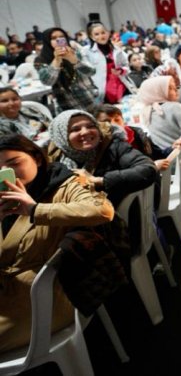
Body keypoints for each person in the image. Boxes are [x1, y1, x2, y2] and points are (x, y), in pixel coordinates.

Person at [0, 134, 114, 352]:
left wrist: (35, 210)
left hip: (42, 299)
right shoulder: (6, 199)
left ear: (37, 159)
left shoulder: (64, 183)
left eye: (14, 164)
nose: (8, 175)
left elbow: (103, 210)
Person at [47, 110, 157, 207]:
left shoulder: (114, 146)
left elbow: (148, 169)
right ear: (62, 137)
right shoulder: (57, 159)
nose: (85, 132)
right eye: (75, 129)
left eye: (91, 126)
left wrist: (101, 181)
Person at [37, 27, 98, 112]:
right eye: (53, 38)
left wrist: (73, 59)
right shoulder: (41, 60)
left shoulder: (76, 52)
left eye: (62, 36)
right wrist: (57, 60)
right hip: (67, 105)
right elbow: (47, 82)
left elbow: (91, 72)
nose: (59, 40)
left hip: (90, 99)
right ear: (47, 41)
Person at [137, 75, 181, 153]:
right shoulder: (175, 108)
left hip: (170, 160)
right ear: (159, 92)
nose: (176, 89)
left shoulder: (146, 113)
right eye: (170, 88)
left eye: (174, 86)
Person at [85, 22, 128, 104]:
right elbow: (86, 73)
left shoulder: (117, 49)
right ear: (92, 37)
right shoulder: (87, 52)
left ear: (108, 33)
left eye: (103, 32)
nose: (101, 36)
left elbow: (126, 65)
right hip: (102, 91)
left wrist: (121, 70)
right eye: (97, 34)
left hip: (121, 87)